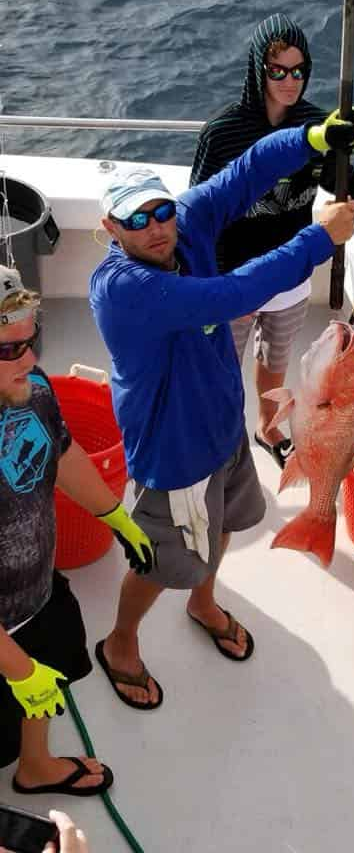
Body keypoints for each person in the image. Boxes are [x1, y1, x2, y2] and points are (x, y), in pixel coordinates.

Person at [89, 111, 354, 709]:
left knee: (231, 522)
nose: (157, 228)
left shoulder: (184, 227)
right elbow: (232, 294)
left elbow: (246, 171)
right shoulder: (124, 289)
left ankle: (203, 602)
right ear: (111, 227)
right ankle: (121, 643)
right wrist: (319, 239)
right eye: (137, 220)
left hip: (224, 427)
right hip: (175, 454)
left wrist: (315, 138)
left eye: (161, 211)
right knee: (164, 561)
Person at [190, 13, 354, 469]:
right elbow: (200, 214)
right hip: (237, 279)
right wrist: (218, 282)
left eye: (299, 70)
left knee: (275, 360)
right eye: (278, 71)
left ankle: (267, 428)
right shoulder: (222, 133)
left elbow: (339, 174)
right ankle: (217, 441)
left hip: (291, 275)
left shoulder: (318, 125)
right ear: (257, 71)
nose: (290, 81)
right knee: (220, 369)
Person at [0, 266, 154, 796]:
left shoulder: (33, 387)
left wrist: (115, 514)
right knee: (24, 692)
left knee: (50, 675)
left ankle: (35, 765)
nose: (31, 359)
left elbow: (61, 454)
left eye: (31, 340)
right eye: (8, 350)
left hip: (37, 593)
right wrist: (17, 669)